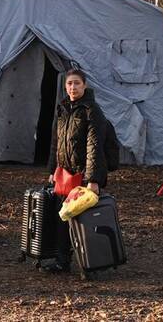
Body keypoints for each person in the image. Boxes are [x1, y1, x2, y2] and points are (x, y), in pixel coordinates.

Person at [43, 68, 107, 273]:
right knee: (62, 217)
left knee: (84, 220)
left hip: (82, 174)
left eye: (77, 83)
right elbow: (56, 142)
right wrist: (53, 169)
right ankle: (62, 260)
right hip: (64, 174)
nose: (73, 87)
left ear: (85, 85)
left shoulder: (91, 110)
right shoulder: (62, 108)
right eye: (69, 83)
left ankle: (91, 262)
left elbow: (94, 146)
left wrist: (93, 179)